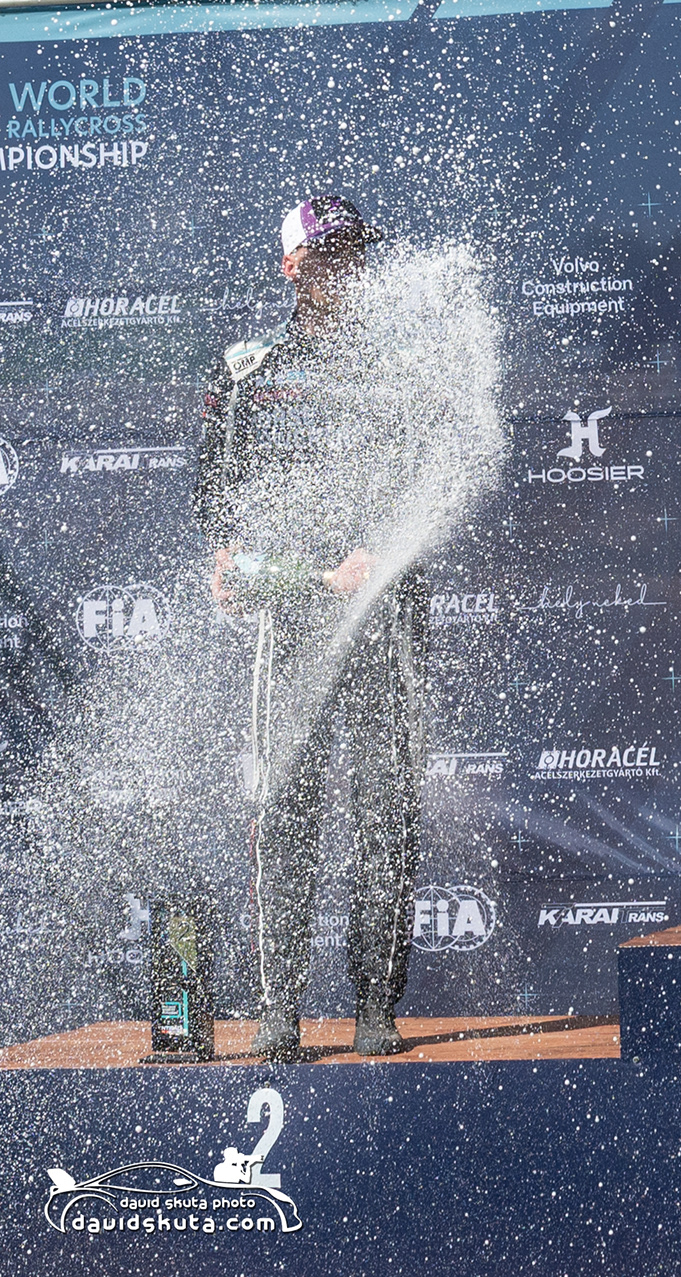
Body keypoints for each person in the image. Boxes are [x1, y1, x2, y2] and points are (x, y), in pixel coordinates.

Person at [192, 195, 427, 1059]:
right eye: (329, 256)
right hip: (292, 620)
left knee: (385, 810)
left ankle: (375, 1006)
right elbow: (215, 502)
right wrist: (242, 565)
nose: (347, 269)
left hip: (381, 620)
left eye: (356, 254)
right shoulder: (246, 369)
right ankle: (279, 1011)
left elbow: (428, 484)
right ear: (292, 267)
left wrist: (377, 553)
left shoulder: (403, 366)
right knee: (285, 806)